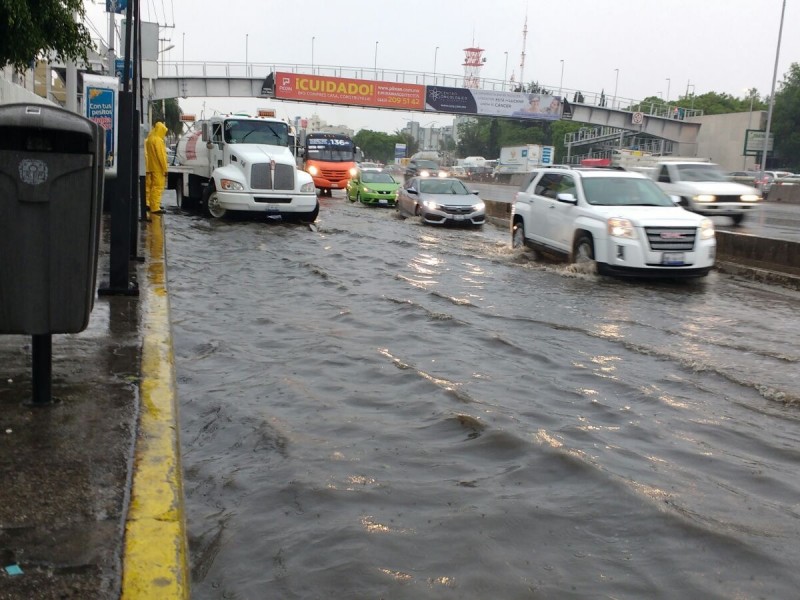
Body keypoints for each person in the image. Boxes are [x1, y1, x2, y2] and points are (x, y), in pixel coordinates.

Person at [145, 121, 168, 214]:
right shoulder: (158, 140)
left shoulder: (150, 139)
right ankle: (155, 207)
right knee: (158, 187)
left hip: (151, 166)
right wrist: (165, 169)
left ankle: (149, 203)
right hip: (158, 168)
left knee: (150, 187)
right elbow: (161, 156)